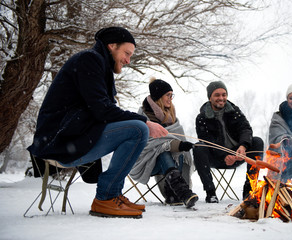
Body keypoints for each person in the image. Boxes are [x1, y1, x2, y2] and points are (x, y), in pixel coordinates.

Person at [27, 27, 168, 218]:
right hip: (59, 142)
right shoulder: (89, 60)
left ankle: (113, 195)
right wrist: (146, 121)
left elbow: (102, 109)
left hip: (73, 138)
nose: (128, 60)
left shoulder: (98, 65)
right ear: (111, 46)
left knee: (137, 128)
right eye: (126, 53)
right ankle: (106, 197)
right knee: (138, 129)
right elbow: (103, 110)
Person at [129, 78, 198, 208]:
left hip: (168, 164)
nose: (171, 98)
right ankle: (181, 192)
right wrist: (177, 145)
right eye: (168, 95)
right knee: (161, 153)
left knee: (179, 153)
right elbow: (149, 145)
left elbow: (174, 139)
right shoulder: (144, 118)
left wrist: (181, 145)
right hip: (146, 162)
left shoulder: (172, 117)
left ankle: (173, 195)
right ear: (158, 97)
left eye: (172, 95)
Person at [193, 81, 264, 203]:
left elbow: (246, 129)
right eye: (217, 95)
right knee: (199, 147)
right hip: (216, 157)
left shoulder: (235, 112)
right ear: (210, 97)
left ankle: (249, 189)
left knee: (257, 141)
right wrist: (224, 156)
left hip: (238, 154)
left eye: (224, 94)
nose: (221, 98)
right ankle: (211, 193)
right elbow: (207, 141)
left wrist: (243, 146)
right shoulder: (202, 118)